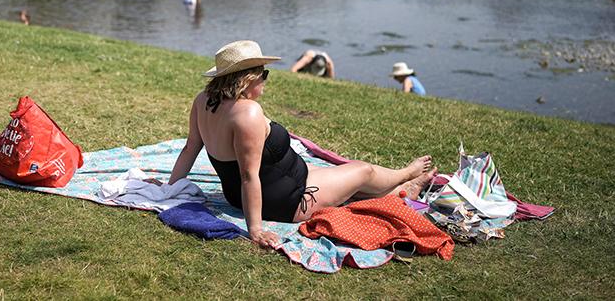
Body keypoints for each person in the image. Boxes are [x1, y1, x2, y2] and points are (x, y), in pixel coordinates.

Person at [168, 40, 436, 249]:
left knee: (352, 181)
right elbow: (248, 176)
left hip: (264, 187)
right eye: (264, 75)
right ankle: (406, 177)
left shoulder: (203, 100)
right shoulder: (246, 113)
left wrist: (171, 188)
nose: (265, 81)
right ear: (248, 78)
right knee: (363, 171)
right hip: (289, 200)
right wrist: (256, 230)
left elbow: (191, 147)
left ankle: (400, 189)